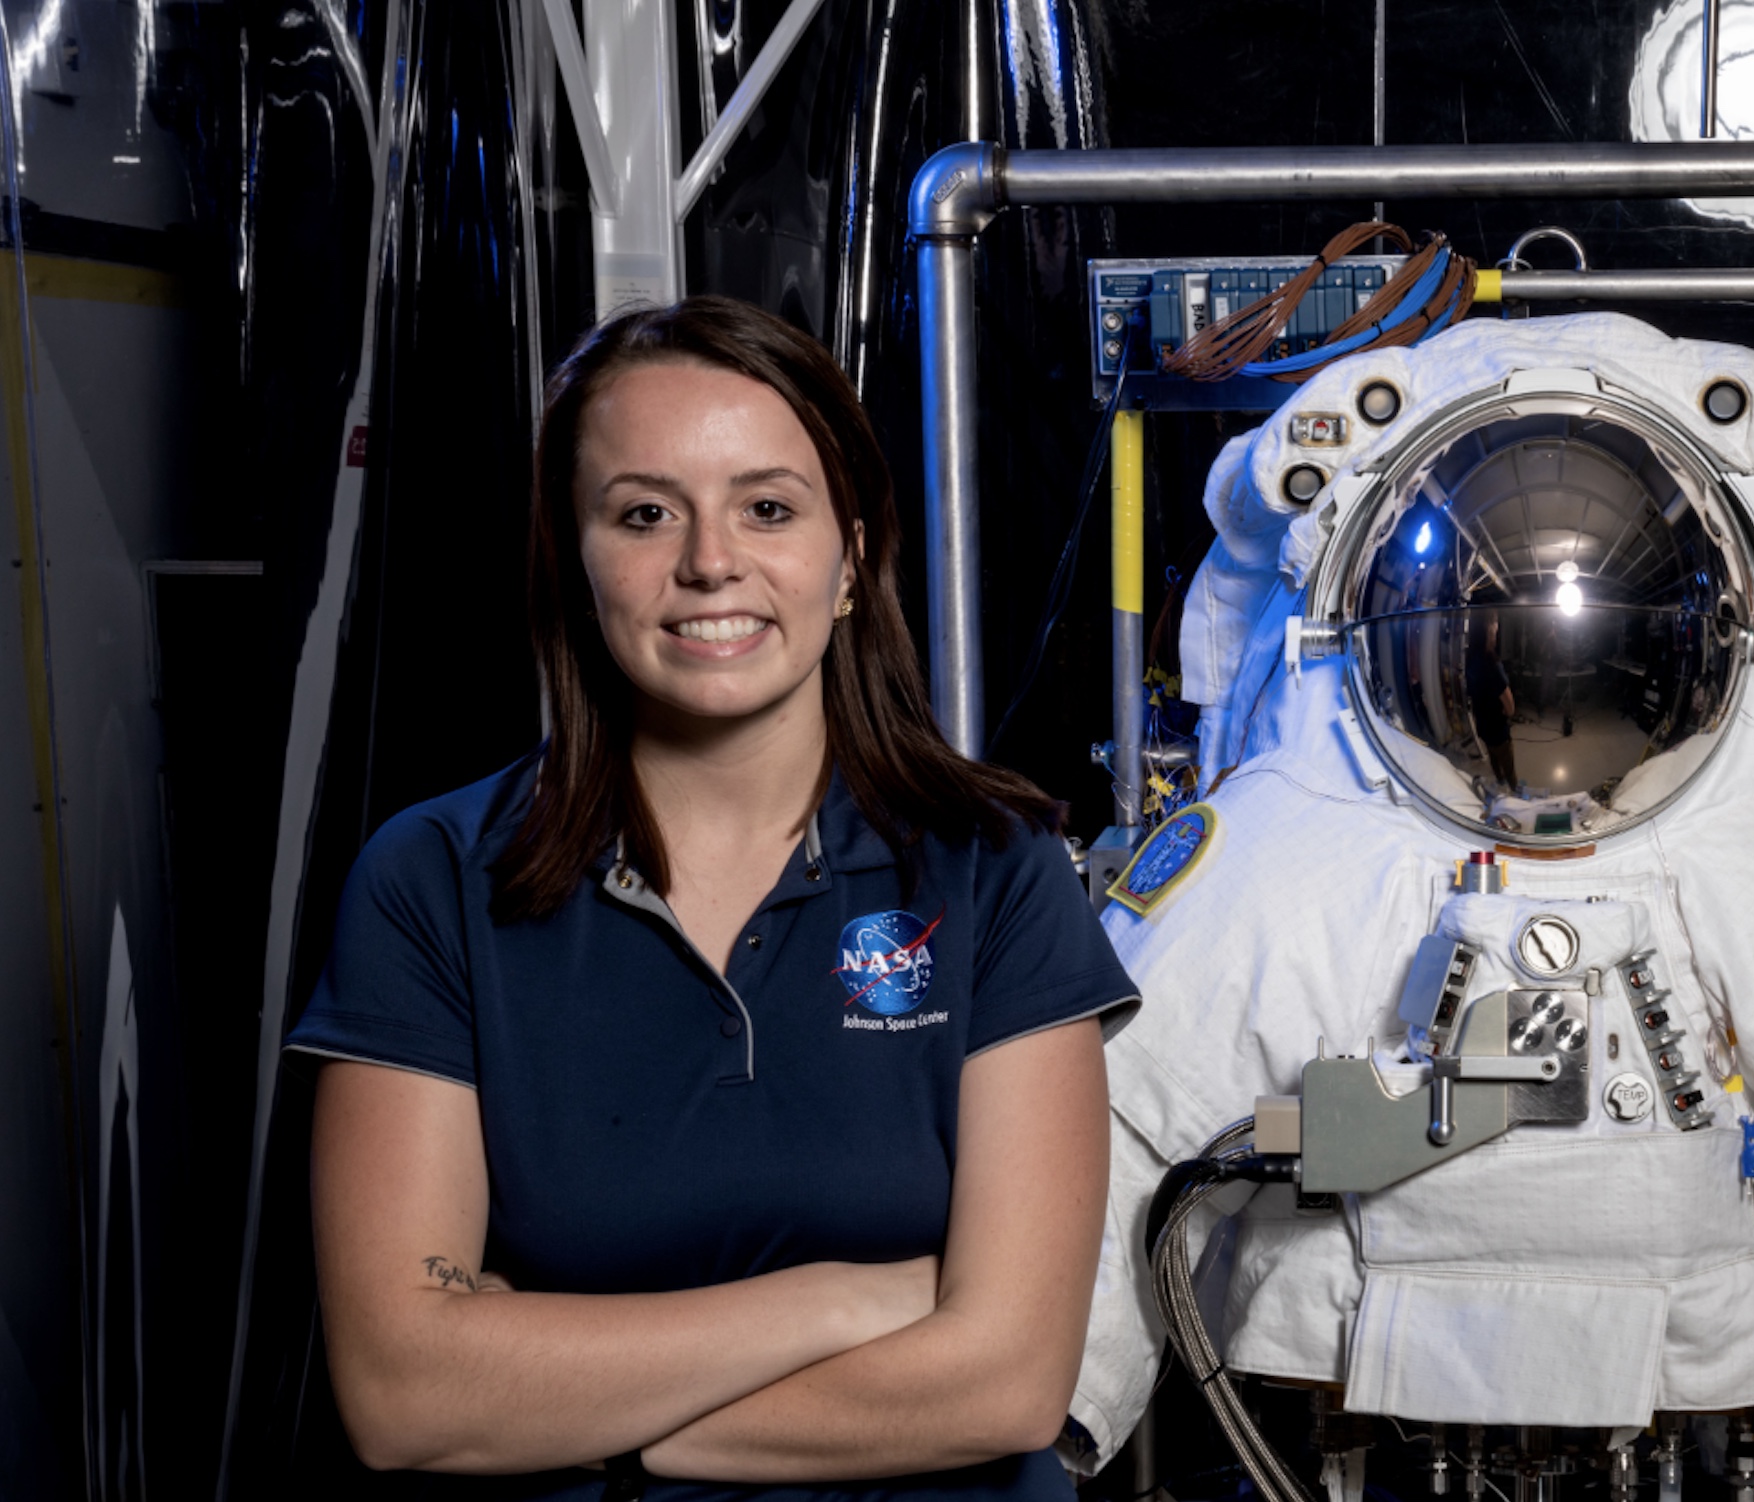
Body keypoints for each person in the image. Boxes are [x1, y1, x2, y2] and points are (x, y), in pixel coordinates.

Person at [288, 296, 1138, 1501]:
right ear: (573, 562)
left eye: (768, 507)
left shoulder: (995, 869)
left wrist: (586, 1411)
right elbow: (404, 1393)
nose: (709, 562)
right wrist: (855, 1296)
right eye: (644, 513)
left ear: (850, 559)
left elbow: (1004, 1382)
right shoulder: (432, 881)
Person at [1465, 614, 1519, 787]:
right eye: (1494, 628)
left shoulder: (1470, 659)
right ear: (1488, 630)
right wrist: (1506, 712)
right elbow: (1510, 707)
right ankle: (1514, 791)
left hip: (1483, 726)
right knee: (1508, 765)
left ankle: (1500, 783)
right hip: (1498, 730)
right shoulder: (1492, 664)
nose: (1496, 631)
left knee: (1493, 759)